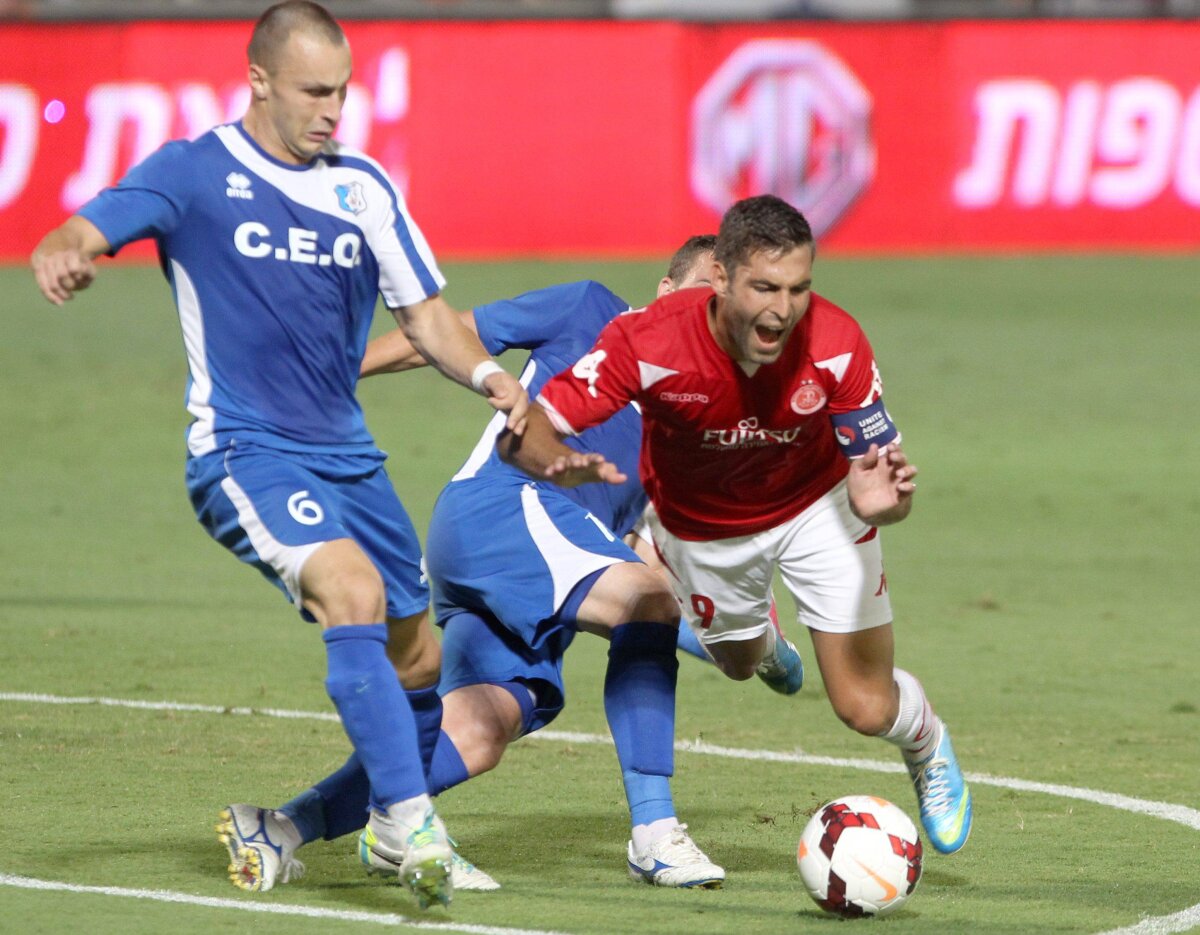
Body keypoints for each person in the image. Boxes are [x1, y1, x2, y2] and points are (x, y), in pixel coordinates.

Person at [28, 0, 528, 910]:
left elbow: (424, 318)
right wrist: (65, 250)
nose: (332, 109)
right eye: (312, 90)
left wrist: (488, 374)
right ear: (258, 78)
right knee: (353, 593)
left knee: (419, 656)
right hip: (245, 449)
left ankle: (385, 824)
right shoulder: (193, 170)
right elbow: (89, 223)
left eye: (341, 90)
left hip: (351, 457)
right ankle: (415, 825)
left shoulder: (364, 188)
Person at [217, 237, 751, 895]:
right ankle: (655, 833)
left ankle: (280, 826)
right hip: (506, 510)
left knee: (479, 726)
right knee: (646, 602)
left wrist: (737, 641)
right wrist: (330, 373)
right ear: (667, 290)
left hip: (527, 563)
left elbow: (639, 559)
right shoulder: (594, 310)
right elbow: (446, 336)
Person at [498, 195, 973, 857]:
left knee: (862, 704)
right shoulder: (650, 340)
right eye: (765, 287)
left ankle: (925, 742)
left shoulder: (836, 344)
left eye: (799, 288)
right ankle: (764, 636)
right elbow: (527, 430)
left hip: (818, 507)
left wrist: (883, 503)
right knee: (739, 661)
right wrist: (555, 460)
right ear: (719, 278)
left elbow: (874, 481)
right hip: (704, 527)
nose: (783, 308)